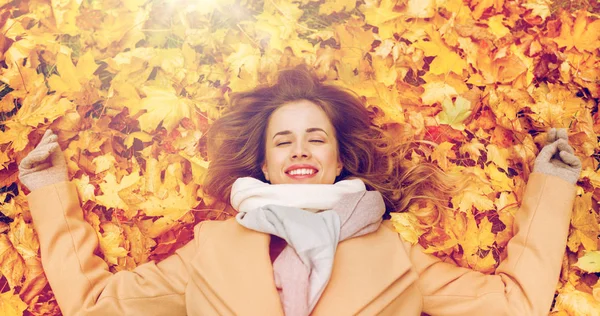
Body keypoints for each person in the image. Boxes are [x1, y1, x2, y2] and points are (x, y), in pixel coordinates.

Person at [18, 66, 581, 316]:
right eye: (283, 141)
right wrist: (47, 186)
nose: (301, 150)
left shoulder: (392, 257)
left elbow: (515, 304)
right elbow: (94, 306)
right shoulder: (210, 251)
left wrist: (552, 185)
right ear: (263, 162)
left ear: (339, 159)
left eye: (317, 138)